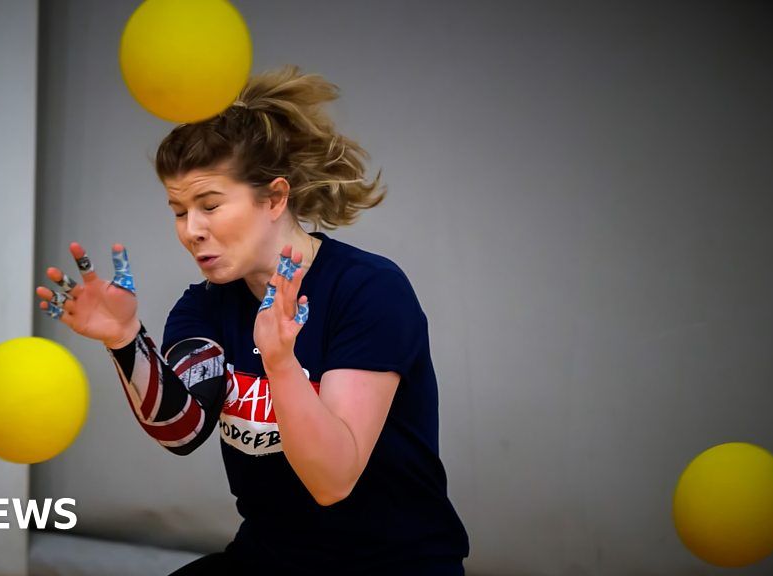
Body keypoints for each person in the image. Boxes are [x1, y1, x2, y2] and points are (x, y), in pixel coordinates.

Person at [35, 66, 469, 575]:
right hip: (271, 558)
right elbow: (184, 430)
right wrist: (125, 339)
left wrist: (281, 362)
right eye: (178, 210)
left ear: (275, 198)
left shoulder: (368, 290)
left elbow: (333, 481)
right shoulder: (205, 305)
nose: (191, 230)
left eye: (210, 205)